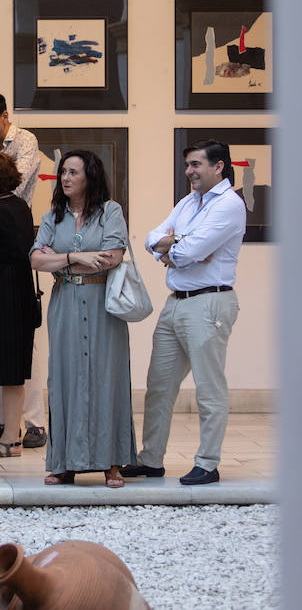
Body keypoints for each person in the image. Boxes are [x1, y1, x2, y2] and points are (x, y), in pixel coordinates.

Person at [123, 138, 247, 486]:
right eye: (187, 164)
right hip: (176, 302)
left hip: (209, 302)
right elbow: (151, 239)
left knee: (209, 388)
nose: (189, 171)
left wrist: (177, 246)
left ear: (218, 166)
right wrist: (176, 244)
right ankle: (151, 460)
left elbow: (188, 252)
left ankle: (207, 463)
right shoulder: (189, 201)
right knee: (158, 386)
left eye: (196, 164)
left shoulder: (229, 205)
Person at [30, 150, 134, 488]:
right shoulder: (52, 216)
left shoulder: (110, 212)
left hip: (103, 304)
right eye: (63, 172)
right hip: (65, 303)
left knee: (108, 378)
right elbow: (35, 260)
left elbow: (111, 257)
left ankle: (112, 463)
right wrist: (78, 257)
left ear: (91, 175)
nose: (65, 178)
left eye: (73, 172)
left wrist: (59, 258)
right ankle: (65, 463)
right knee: (64, 378)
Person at [0, 89, 46, 450]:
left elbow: (16, 179)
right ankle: (2, 428)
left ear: (4, 115)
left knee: (12, 356)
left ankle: (27, 424)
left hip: (9, 244)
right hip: (8, 235)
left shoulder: (25, 141)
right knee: (9, 357)